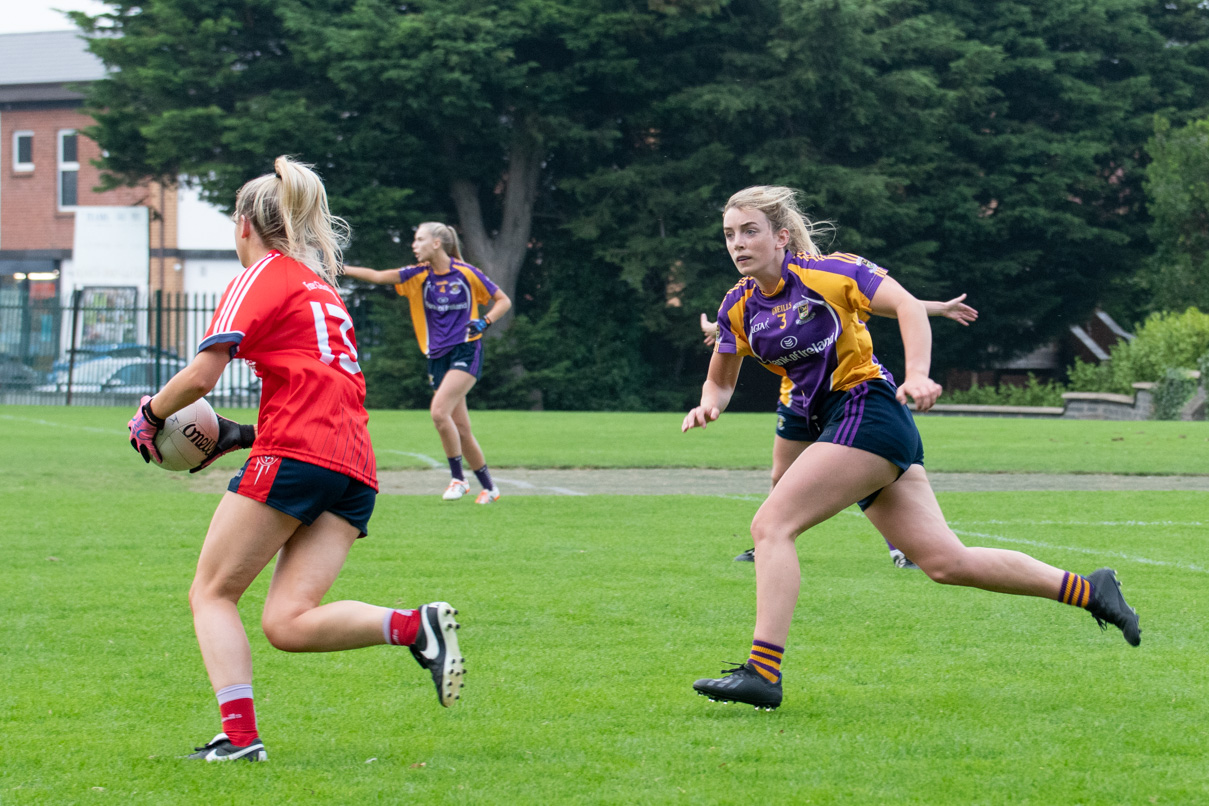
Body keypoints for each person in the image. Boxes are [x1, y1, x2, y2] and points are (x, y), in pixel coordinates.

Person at [683, 185, 1141, 711]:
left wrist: (919, 375)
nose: (737, 243)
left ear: (781, 236)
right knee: (946, 562)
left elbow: (905, 305)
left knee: (771, 525)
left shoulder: (830, 272)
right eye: (729, 234)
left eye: (750, 231)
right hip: (838, 422)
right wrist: (709, 404)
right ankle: (1092, 591)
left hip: (867, 410)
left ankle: (762, 672)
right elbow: (721, 378)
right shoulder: (737, 304)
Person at [127, 157, 465, 762]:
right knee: (287, 622)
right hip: (353, 468)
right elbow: (316, 390)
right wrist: (239, 435)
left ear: (244, 226)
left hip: (302, 454)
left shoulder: (263, 275)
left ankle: (239, 740)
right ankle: (415, 627)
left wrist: (151, 414)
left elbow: (204, 374)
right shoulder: (319, 286)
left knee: (212, 593)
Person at [699, 294, 978, 568]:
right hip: (796, 404)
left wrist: (941, 308)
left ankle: (900, 550)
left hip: (849, 400)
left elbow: (901, 304)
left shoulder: (830, 290)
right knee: (780, 477)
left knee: (861, 476)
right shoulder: (757, 301)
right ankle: (769, 543)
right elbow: (739, 328)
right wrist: (715, 329)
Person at [345, 224, 511, 504]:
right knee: (461, 428)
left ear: (437, 243)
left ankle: (458, 479)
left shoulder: (466, 273)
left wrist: (485, 321)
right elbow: (377, 276)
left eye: (419, 239)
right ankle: (490, 488)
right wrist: (340, 269)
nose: (414, 244)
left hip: (466, 349)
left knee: (438, 413)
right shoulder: (419, 275)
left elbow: (502, 300)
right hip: (437, 356)